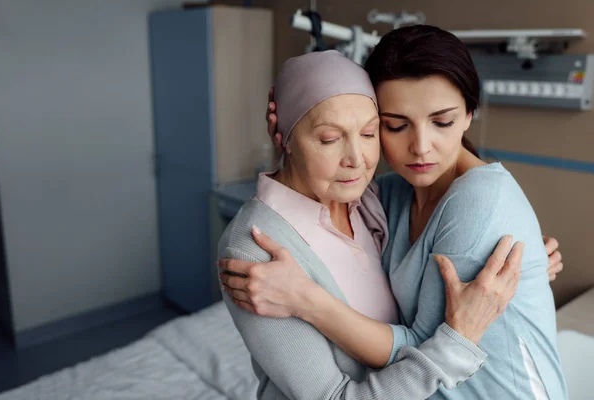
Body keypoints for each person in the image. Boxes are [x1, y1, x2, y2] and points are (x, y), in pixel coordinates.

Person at [219, 26, 567, 399]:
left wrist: (308, 299)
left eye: (442, 121)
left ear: (469, 113)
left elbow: (427, 342)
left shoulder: (447, 201)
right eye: (394, 126)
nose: (420, 147)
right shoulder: (385, 197)